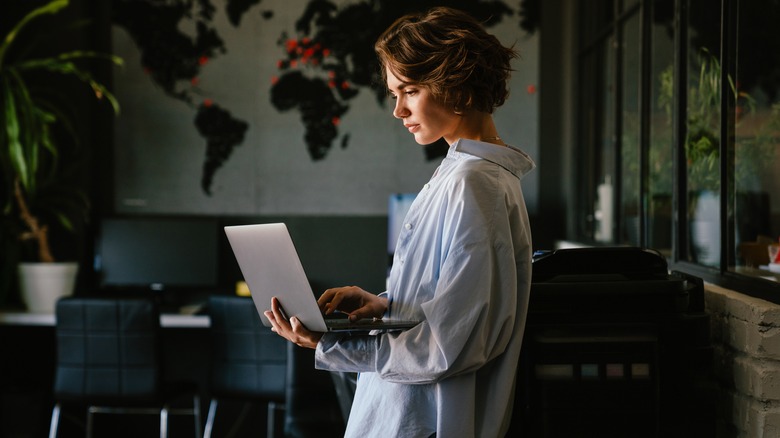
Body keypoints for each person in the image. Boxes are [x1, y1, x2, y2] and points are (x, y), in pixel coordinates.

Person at [265, 6, 535, 437]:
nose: (398, 111)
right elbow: (454, 300)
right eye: (395, 94)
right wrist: (389, 305)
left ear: (456, 83)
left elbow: (453, 344)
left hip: (426, 422)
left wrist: (330, 344)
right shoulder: (464, 175)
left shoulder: (474, 183)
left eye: (408, 91)